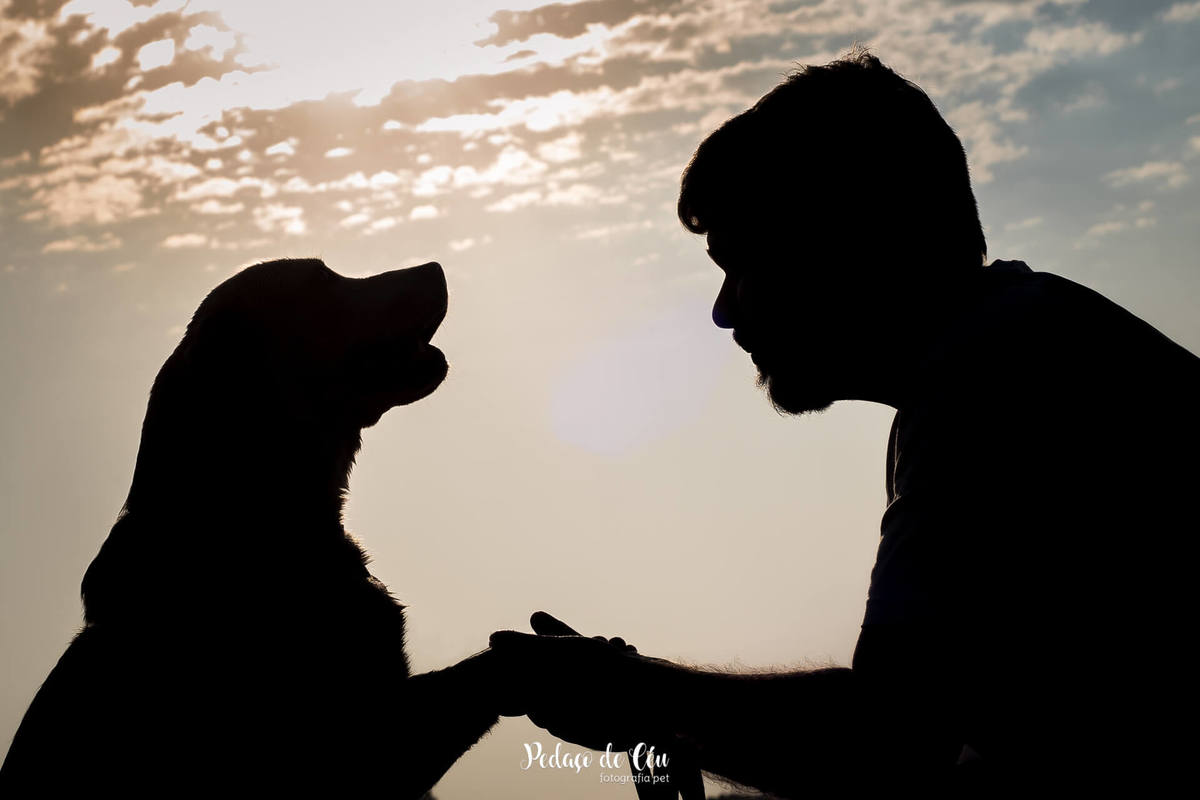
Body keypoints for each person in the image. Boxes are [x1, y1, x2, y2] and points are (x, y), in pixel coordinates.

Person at [489, 48, 1200, 796]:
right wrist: (656, 719)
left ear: (841, 240)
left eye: (740, 262)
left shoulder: (991, 379)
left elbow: (885, 743)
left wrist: (631, 690)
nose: (725, 310)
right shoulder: (1016, 346)